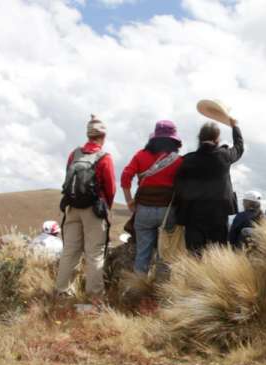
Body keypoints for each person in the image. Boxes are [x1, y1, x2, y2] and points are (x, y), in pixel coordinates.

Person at [54, 115, 116, 304]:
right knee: (94, 253)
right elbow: (111, 188)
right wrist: (106, 208)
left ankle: (61, 292)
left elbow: (67, 177)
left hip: (72, 208)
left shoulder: (75, 154)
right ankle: (94, 296)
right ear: (103, 136)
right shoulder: (104, 157)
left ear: (88, 135)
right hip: (93, 210)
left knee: (70, 251)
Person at [173, 118, 244, 255]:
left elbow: (178, 186)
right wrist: (235, 126)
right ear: (217, 138)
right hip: (219, 214)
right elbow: (239, 147)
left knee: (195, 256)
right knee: (217, 255)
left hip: (193, 214)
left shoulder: (188, 160)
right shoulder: (224, 156)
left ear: (199, 138)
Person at [121, 120, 183, 275]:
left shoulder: (140, 156)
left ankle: (138, 290)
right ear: (174, 140)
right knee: (166, 254)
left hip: (143, 211)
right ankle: (159, 292)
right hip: (168, 212)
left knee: (143, 254)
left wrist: (129, 201)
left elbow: (125, 177)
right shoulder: (179, 161)